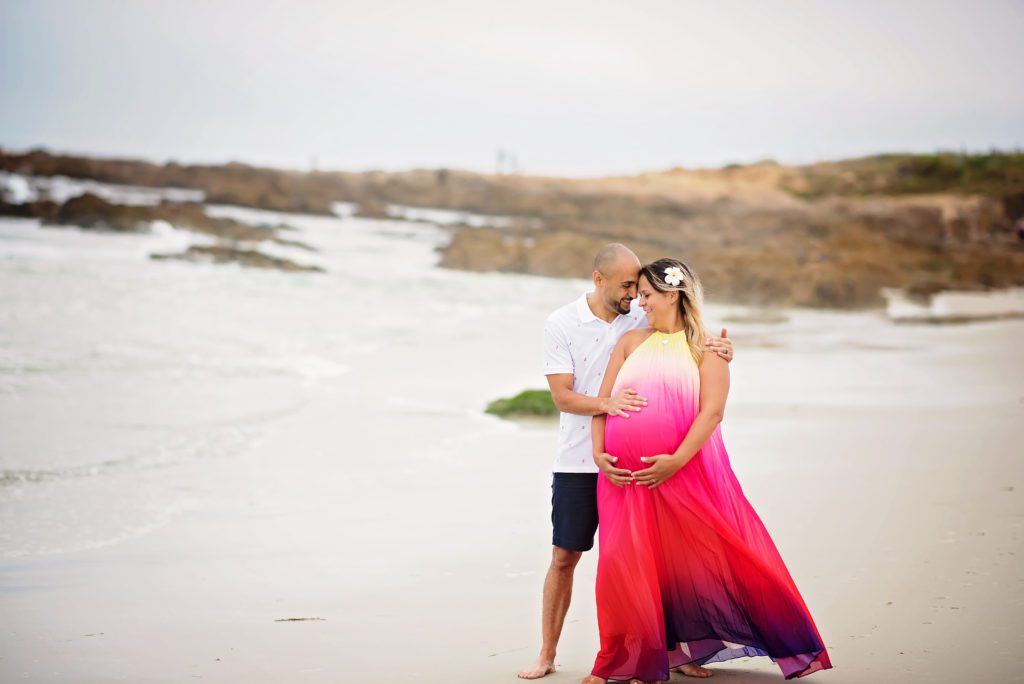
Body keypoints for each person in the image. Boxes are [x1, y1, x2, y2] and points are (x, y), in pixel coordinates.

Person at [583, 258, 832, 683]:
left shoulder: (708, 348)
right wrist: (598, 455)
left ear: (673, 294)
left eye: (647, 295)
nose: (640, 303)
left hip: (682, 473)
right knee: (620, 565)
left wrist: (675, 461)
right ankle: (617, 662)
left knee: (690, 562)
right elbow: (603, 404)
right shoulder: (629, 343)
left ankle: (684, 652)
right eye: (638, 294)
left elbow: (711, 414)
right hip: (623, 479)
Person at [518, 245, 735, 680]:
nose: (635, 296)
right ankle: (546, 654)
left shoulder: (642, 317)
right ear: (598, 280)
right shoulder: (561, 323)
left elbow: (686, 336)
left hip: (638, 471)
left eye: (640, 287)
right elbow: (562, 396)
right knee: (565, 555)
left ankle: (677, 651)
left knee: (660, 559)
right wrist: (608, 407)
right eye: (627, 286)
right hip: (580, 462)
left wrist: (722, 350)